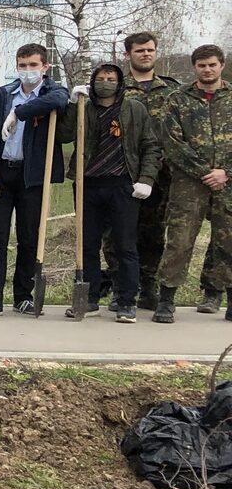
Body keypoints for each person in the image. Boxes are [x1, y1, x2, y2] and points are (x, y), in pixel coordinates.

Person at [119, 31, 224, 313]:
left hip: (169, 175)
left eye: (150, 49)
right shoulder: (121, 88)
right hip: (133, 172)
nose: (146, 54)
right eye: (139, 50)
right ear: (128, 54)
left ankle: (164, 290)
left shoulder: (170, 89)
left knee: (162, 233)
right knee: (127, 234)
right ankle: (127, 289)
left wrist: (221, 171)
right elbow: (170, 138)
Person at [0, 43, 69, 317]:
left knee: (29, 237)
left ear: (45, 67)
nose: (27, 71)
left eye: (33, 65)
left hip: (33, 175)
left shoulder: (52, 91)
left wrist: (19, 113)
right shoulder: (4, 95)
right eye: (22, 66)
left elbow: (58, 103)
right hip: (3, 173)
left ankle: (23, 295)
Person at [60, 63, 160, 322]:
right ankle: (90, 298)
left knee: (125, 245)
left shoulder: (134, 109)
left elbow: (150, 145)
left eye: (111, 78)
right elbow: (64, 134)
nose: (105, 82)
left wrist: (146, 179)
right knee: (87, 244)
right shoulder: (84, 108)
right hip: (88, 184)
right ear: (93, 81)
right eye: (101, 78)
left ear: (119, 82)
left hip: (122, 185)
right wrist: (72, 105)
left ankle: (127, 301)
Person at [155, 44, 232, 324]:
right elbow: (171, 142)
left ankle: (223, 294)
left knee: (228, 240)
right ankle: (167, 299)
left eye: (212, 64)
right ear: (194, 68)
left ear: (221, 65)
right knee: (180, 240)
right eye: (202, 65)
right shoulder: (178, 99)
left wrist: (225, 172)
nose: (207, 70)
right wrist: (204, 171)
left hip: (228, 182)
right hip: (189, 183)